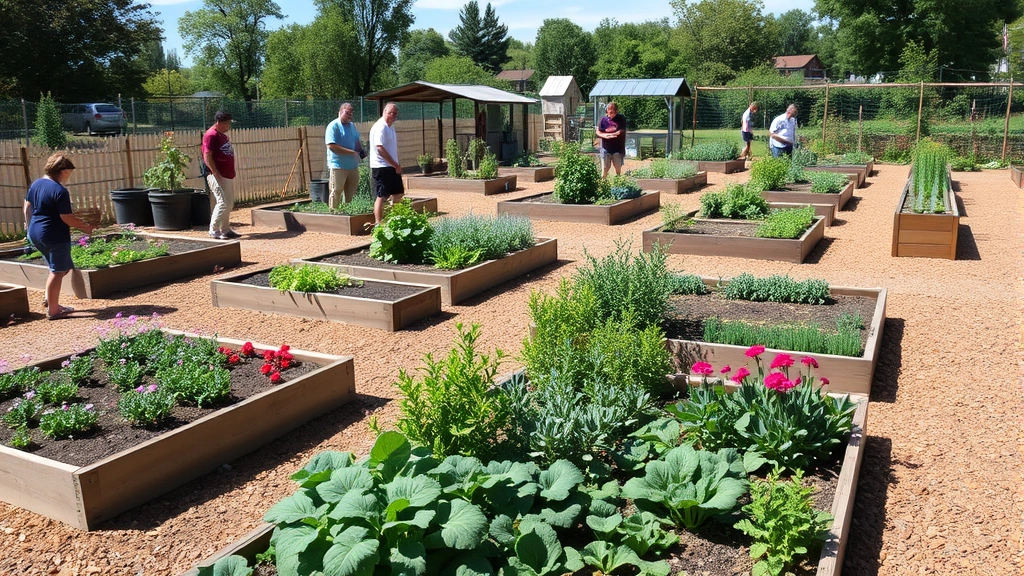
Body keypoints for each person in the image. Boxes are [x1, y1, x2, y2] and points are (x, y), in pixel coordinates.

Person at [23, 153, 96, 320]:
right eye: (69, 171)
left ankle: (51, 299)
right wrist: (84, 226)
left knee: (63, 267)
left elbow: (27, 206)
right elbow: (66, 218)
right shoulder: (60, 191)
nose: (70, 175)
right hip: (53, 234)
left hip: (36, 232)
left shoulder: (37, 184)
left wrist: (29, 227)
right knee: (58, 271)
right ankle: (54, 310)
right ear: (63, 170)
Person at [203, 110, 239, 239]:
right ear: (219, 122)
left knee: (229, 203)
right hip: (216, 175)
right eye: (227, 124)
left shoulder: (223, 135)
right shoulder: (211, 135)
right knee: (222, 202)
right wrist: (216, 173)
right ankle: (213, 230)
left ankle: (225, 230)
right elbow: (207, 156)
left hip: (227, 174)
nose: (228, 126)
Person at [369, 103, 404, 224]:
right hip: (381, 167)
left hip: (391, 166)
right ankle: (378, 223)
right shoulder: (381, 127)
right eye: (391, 113)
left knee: (398, 193)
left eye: (395, 114)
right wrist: (395, 164)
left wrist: (395, 165)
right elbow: (380, 148)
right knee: (381, 195)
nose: (393, 116)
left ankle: (394, 220)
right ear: (384, 112)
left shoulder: (391, 126)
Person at [325, 102, 364, 208]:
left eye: (351, 114)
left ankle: (347, 213)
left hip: (352, 166)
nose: (349, 116)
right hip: (338, 166)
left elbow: (356, 141)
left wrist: (360, 151)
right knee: (336, 191)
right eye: (347, 113)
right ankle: (333, 214)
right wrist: (352, 152)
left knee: (351, 192)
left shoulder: (352, 126)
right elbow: (331, 146)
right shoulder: (333, 126)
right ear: (340, 112)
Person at [596, 102, 627, 177]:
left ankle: (618, 184)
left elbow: (622, 130)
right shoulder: (603, 120)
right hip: (606, 149)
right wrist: (606, 135)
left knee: (618, 169)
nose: (611, 112)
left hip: (617, 149)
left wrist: (614, 134)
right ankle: (603, 186)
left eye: (613, 110)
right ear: (607, 111)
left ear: (616, 111)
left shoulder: (621, 118)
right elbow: (598, 132)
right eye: (609, 110)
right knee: (605, 169)